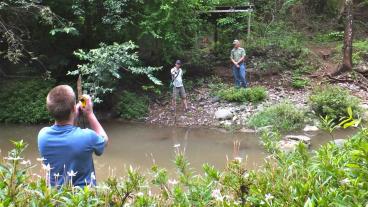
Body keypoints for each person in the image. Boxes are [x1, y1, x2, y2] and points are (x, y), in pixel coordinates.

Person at [38, 85, 108, 187]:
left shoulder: (42, 136)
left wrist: (73, 114)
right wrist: (89, 114)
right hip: (83, 199)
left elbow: (69, 135)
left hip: (54, 199)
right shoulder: (88, 136)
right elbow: (104, 140)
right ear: (74, 108)